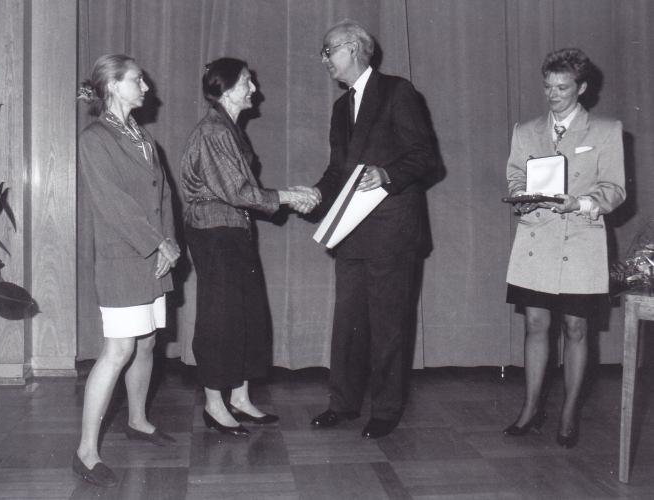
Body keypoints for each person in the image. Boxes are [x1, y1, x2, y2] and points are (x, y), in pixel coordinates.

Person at [299, 20, 438, 439]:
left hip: (393, 232)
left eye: (329, 51)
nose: (324, 60)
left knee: (388, 325)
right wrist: (314, 196)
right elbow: (337, 171)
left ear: (355, 48)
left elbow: (427, 159)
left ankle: (387, 409)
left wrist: (386, 174)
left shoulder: (398, 92)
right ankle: (342, 404)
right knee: (348, 324)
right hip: (351, 233)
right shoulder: (341, 108)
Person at [180, 57, 317, 438]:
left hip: (232, 232)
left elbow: (242, 193)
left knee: (245, 316)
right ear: (225, 89)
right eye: (246, 82)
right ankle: (213, 403)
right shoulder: (213, 131)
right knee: (221, 318)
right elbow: (238, 191)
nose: (254, 89)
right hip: (215, 234)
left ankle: (239, 398)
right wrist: (290, 196)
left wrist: (288, 196)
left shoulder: (228, 129)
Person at [503, 48, 625, 448]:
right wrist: (521, 193)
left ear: (582, 88)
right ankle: (530, 408)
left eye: (562, 87)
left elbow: (614, 190)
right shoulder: (526, 130)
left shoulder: (605, 130)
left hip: (582, 240)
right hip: (537, 239)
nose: (553, 94)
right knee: (536, 326)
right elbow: (515, 177)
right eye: (547, 86)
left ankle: (570, 412)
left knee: (576, 328)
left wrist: (581, 202)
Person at [74, 54, 181, 487]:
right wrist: (158, 242)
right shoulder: (95, 138)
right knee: (118, 349)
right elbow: (113, 203)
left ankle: (137, 420)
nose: (146, 87)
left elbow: (164, 196)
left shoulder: (141, 136)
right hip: (124, 257)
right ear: (114, 86)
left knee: (148, 342)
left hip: (155, 258)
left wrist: (169, 247)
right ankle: (85, 452)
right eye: (138, 80)